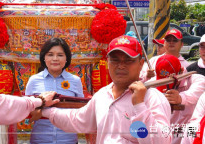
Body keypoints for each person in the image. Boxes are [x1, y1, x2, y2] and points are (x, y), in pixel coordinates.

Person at [37, 35, 172, 143]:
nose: (121, 66)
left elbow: (162, 140)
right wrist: (45, 110)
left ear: (141, 63)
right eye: (115, 60)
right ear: (107, 62)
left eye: (128, 60)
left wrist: (140, 106)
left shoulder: (152, 98)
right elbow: (77, 119)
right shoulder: (102, 95)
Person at [25, 38, 84, 144]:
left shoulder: (75, 81)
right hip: (40, 140)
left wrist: (42, 111)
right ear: (44, 58)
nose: (55, 59)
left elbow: (81, 111)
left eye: (60, 55)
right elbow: (26, 108)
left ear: (66, 58)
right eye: (50, 54)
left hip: (68, 140)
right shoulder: (34, 80)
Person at [151, 54, 205, 144]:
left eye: (170, 82)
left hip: (187, 136)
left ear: (180, 71)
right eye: (163, 81)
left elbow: (194, 94)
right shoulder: (153, 82)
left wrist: (180, 98)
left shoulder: (198, 80)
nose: (166, 88)